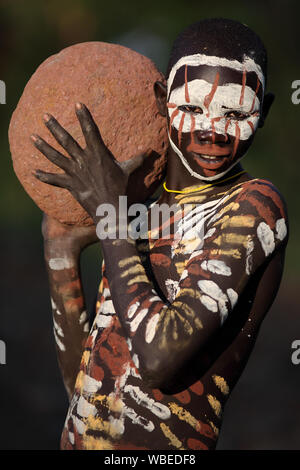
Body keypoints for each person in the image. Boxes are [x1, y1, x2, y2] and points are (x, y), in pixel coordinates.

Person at [31, 18, 289, 450]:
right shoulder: (142, 209)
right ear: (161, 99)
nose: (213, 130)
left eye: (236, 112)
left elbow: (158, 360)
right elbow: (90, 386)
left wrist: (111, 217)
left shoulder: (255, 206)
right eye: (191, 108)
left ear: (264, 112)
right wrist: (59, 254)